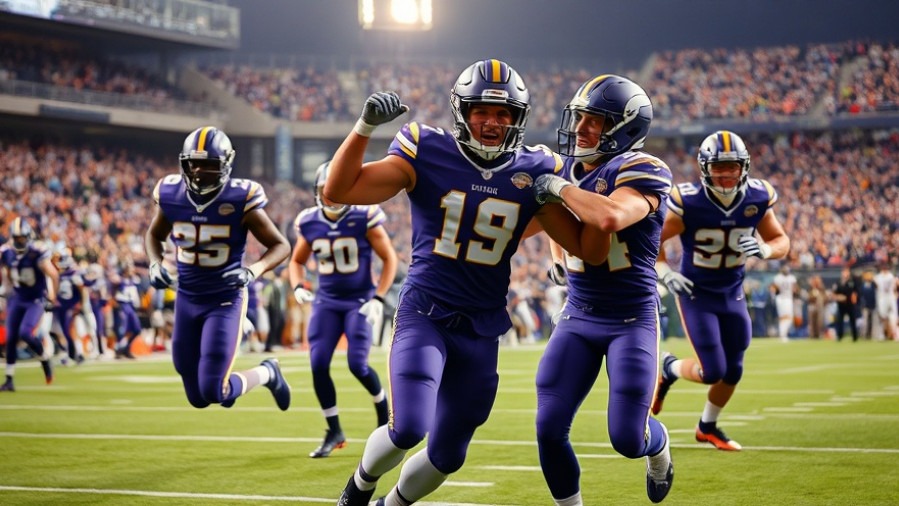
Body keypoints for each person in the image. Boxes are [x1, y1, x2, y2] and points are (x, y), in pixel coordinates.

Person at [327, 59, 596, 506]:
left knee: (448, 455)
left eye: (503, 113)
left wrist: (586, 201)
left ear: (518, 118)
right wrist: (362, 129)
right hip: (426, 313)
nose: (491, 122)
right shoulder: (425, 148)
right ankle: (357, 489)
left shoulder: (537, 167)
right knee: (409, 426)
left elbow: (580, 243)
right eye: (480, 111)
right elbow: (340, 191)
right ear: (461, 112)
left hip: (483, 325)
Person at [529, 74, 675, 504]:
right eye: (580, 118)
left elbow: (608, 216)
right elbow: (534, 225)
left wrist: (558, 188)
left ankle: (660, 446)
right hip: (579, 314)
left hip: (630, 318)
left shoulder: (642, 169)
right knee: (548, 429)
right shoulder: (563, 170)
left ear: (624, 128)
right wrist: (557, 258)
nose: (581, 129)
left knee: (628, 439)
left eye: (595, 120)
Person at [652, 130, 790, 452]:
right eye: (719, 167)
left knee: (735, 368)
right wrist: (663, 272)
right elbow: (653, 238)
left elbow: (781, 240)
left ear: (745, 167)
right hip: (696, 293)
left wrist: (763, 249)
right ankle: (669, 367)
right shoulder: (689, 200)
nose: (727, 174)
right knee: (713, 370)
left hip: (732, 292)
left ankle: (707, 426)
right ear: (705, 169)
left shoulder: (757, 197)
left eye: (733, 166)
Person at [144, 126, 292, 410]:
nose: (198, 171)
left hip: (225, 298)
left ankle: (267, 372)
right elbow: (153, 235)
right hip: (187, 296)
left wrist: (252, 271)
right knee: (197, 398)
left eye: (208, 165)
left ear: (225, 165)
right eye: (193, 164)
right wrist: (155, 262)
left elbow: (280, 245)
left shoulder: (240, 197)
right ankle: (248, 378)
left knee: (213, 390)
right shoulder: (171, 192)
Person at [288, 160, 398, 459]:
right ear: (317, 191)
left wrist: (378, 298)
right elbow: (297, 261)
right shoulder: (309, 221)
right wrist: (298, 285)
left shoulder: (364, 215)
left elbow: (389, 259)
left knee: (357, 365)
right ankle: (334, 430)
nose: (332, 196)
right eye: (326, 190)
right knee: (318, 363)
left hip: (359, 300)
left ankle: (383, 416)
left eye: (336, 190)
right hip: (326, 300)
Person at [1, 217, 57, 391]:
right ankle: (9, 379)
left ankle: (44, 358)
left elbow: (53, 274)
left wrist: (52, 298)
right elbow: (8, 272)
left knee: (25, 333)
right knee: (10, 338)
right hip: (17, 297)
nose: (19, 241)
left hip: (35, 298)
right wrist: (6, 289)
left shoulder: (36, 251)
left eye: (22, 238)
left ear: (28, 236)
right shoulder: (6, 252)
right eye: (17, 238)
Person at [832, 266, 859, 342]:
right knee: (839, 320)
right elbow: (834, 293)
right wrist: (838, 297)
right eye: (844, 272)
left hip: (850, 304)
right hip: (841, 305)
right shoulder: (838, 282)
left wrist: (851, 298)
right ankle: (840, 335)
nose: (845, 274)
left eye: (847, 272)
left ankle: (855, 336)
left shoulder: (852, 281)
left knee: (852, 320)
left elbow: (855, 292)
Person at [772, 265, 798, 341]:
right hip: (786, 298)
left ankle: (782, 334)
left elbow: (775, 289)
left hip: (780, 298)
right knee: (788, 317)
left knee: (783, 317)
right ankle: (783, 334)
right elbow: (794, 289)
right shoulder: (791, 278)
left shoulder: (777, 278)